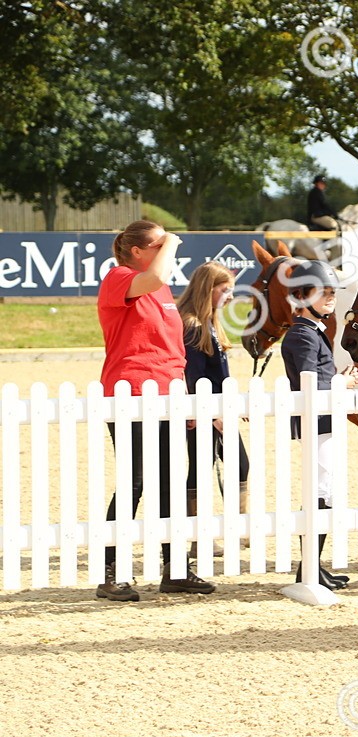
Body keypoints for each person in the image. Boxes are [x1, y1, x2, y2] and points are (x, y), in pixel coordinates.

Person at [96, 221, 216, 600]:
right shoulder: (120, 277)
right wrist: (175, 242)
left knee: (168, 481)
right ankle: (110, 572)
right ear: (137, 250)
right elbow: (157, 273)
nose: (167, 247)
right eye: (159, 243)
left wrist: (184, 396)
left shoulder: (160, 287)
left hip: (168, 392)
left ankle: (175, 568)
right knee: (134, 481)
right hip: (130, 390)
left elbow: (172, 346)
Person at [280, 259, 358, 591]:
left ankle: (312, 566)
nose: (330, 297)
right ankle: (308, 569)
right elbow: (310, 384)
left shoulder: (314, 332)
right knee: (321, 492)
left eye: (332, 292)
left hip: (325, 421)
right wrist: (342, 383)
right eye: (323, 292)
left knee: (326, 493)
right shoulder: (302, 335)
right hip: (317, 422)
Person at [176, 261, 249, 551]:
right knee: (204, 469)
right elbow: (195, 377)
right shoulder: (193, 326)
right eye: (225, 289)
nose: (230, 296)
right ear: (209, 289)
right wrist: (214, 415)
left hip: (216, 409)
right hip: (207, 412)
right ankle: (198, 536)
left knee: (231, 466)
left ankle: (235, 528)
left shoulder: (207, 322)